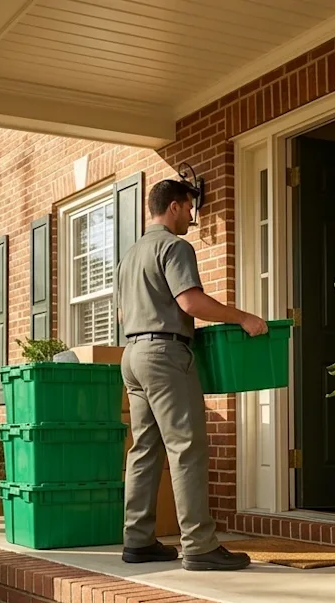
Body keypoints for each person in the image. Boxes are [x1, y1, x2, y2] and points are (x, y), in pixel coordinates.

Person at [117, 178, 268, 571]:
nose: (191, 216)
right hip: (165, 354)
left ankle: (138, 540)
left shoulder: (130, 256)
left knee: (144, 450)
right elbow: (190, 300)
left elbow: (122, 314)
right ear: (173, 207)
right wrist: (243, 317)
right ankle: (200, 545)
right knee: (186, 447)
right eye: (188, 208)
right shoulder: (174, 246)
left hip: (132, 354)